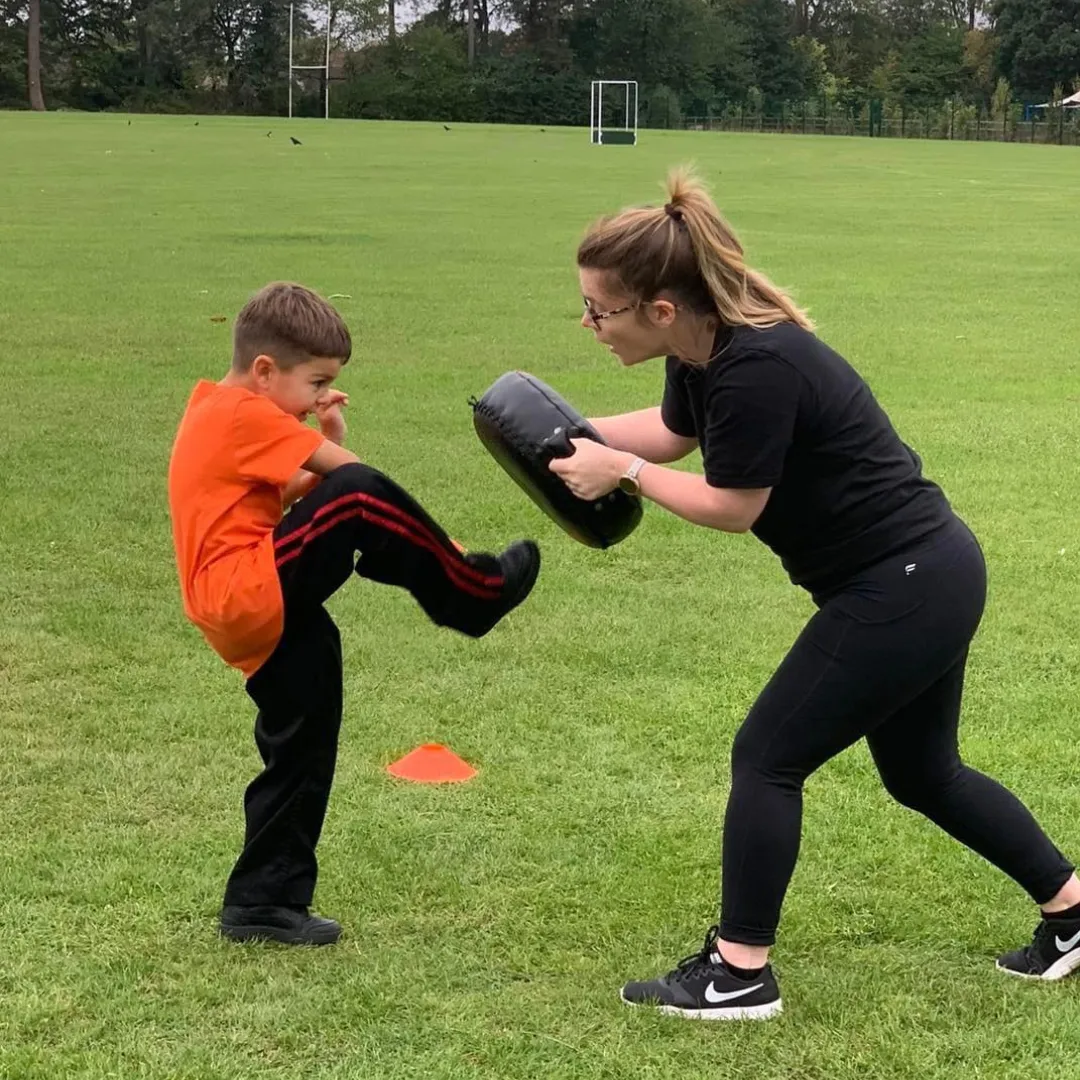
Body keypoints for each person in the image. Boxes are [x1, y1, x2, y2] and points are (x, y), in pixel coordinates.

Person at [548, 169, 1080, 1019]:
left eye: (598, 310)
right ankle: (1074, 913)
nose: (587, 324)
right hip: (926, 572)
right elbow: (675, 433)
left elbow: (732, 505)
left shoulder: (756, 363)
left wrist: (627, 474)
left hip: (901, 582)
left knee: (767, 757)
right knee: (923, 773)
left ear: (658, 309)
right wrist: (555, 427)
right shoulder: (703, 349)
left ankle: (739, 973)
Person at [168, 282, 540, 945]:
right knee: (361, 499)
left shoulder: (217, 409)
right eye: (316, 384)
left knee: (303, 743)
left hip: (243, 599)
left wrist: (324, 430)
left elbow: (283, 495)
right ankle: (471, 590)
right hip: (244, 588)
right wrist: (435, 538)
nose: (319, 398)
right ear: (264, 371)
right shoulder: (241, 414)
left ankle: (264, 901)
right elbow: (354, 481)